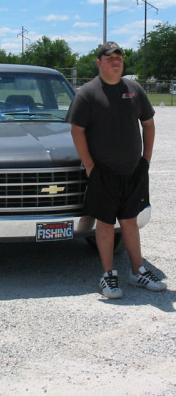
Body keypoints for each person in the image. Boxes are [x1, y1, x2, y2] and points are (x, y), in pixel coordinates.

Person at [66, 41, 167, 299]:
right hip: (103, 172)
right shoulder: (87, 93)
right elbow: (77, 130)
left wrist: (146, 159)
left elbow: (149, 124)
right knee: (106, 222)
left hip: (133, 170)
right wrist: (90, 166)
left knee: (130, 220)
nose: (116, 61)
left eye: (119, 57)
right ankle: (108, 276)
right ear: (99, 62)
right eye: (110, 57)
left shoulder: (134, 90)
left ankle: (138, 271)